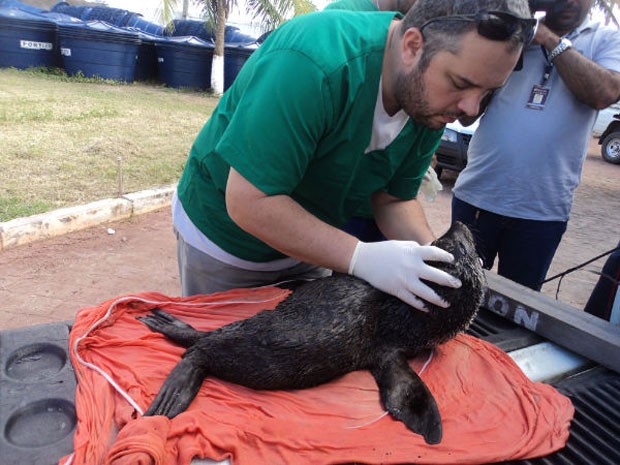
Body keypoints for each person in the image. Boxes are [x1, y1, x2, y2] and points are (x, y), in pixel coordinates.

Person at [172, 0, 535, 311]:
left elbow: (392, 198)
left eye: (488, 92)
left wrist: (435, 259)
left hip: (311, 246)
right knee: (225, 369)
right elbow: (249, 201)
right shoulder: (315, 59)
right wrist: (360, 257)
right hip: (225, 241)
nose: (471, 109)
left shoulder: (430, 99)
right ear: (412, 45)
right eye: (461, 84)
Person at [451, 0, 620, 291]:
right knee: (454, 291)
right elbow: (466, 116)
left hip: (542, 212)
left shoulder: (606, 39)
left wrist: (548, 39)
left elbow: (604, 92)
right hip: (478, 195)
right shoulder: (515, 33)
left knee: (520, 307)